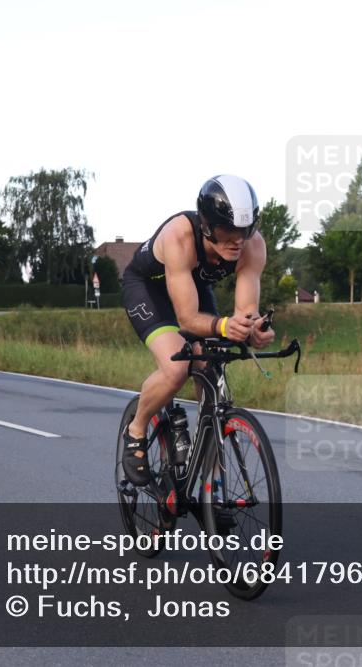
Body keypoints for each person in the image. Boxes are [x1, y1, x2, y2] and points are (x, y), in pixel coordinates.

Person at [120, 175, 275, 485]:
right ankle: (136, 430)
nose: (237, 239)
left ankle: (210, 476)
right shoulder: (180, 235)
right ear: (206, 224)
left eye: (244, 230)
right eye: (227, 230)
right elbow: (188, 319)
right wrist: (222, 326)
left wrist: (252, 329)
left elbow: (245, 311)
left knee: (213, 374)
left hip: (192, 286)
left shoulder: (253, 245)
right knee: (177, 368)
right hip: (149, 289)